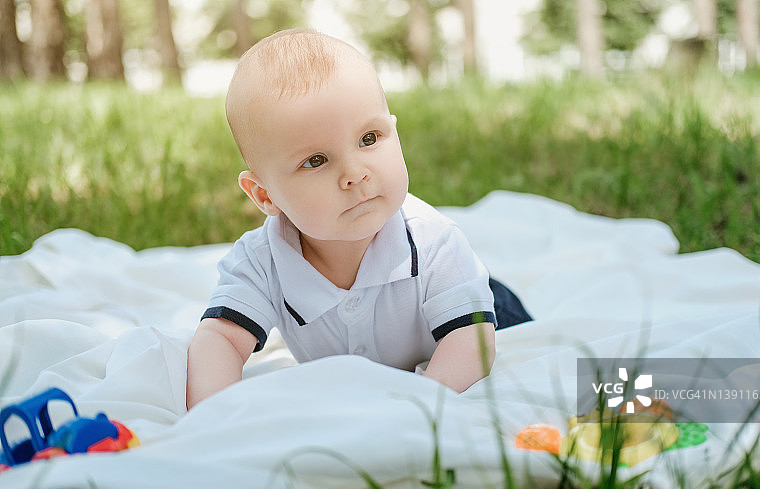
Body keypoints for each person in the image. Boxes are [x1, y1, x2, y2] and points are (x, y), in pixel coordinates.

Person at [186, 29, 531, 409]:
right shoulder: (260, 261)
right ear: (265, 195)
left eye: (369, 138)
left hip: (475, 315)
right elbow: (219, 338)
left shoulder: (434, 241)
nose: (355, 173)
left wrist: (423, 405)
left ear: (393, 131)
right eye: (315, 160)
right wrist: (213, 416)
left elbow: (472, 342)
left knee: (517, 342)